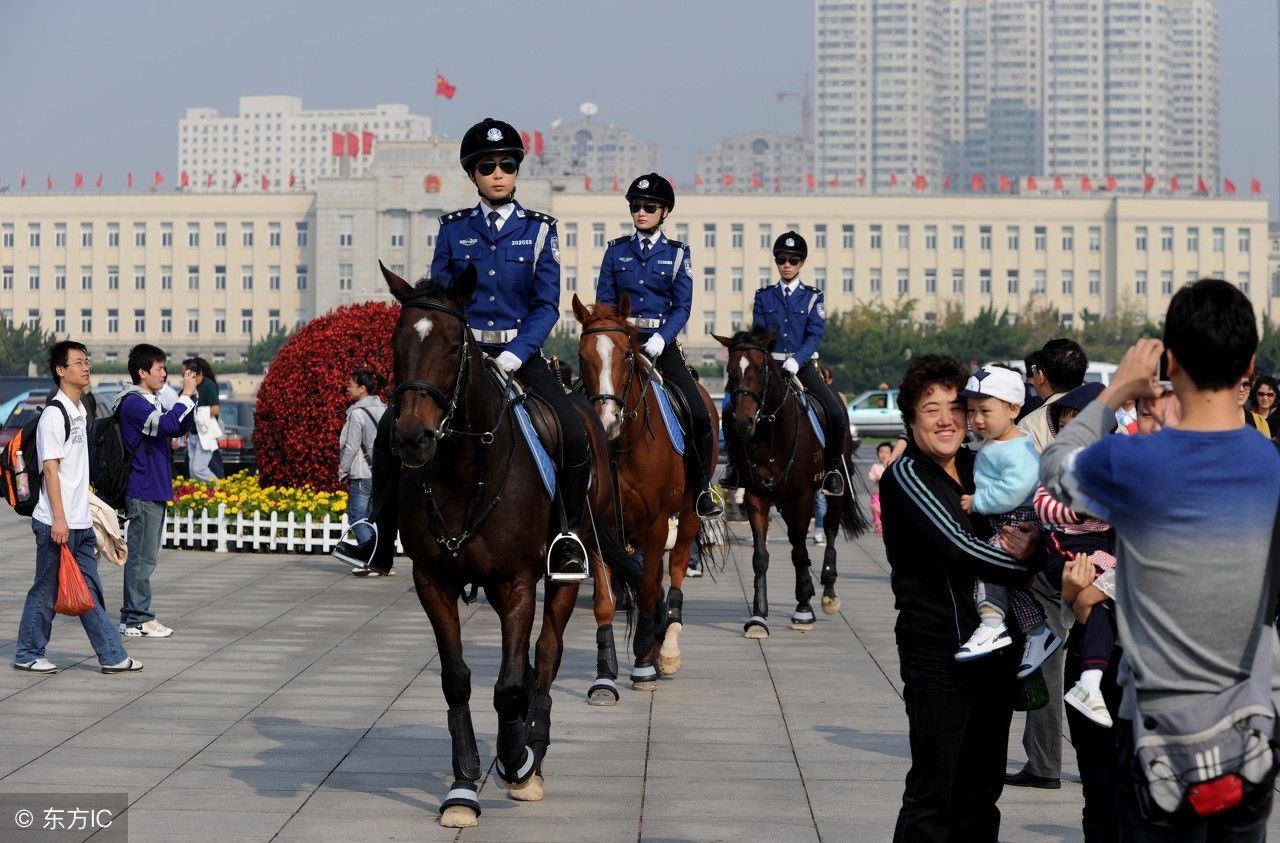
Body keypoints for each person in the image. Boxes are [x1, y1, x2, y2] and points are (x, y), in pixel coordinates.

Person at [1041, 279, 1280, 840]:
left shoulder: (1133, 461)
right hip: (1249, 734)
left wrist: (1114, 392)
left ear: (1170, 361)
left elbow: (1055, 464)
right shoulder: (1272, 467)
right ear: (1248, 365)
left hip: (1157, 735)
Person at [339, 117, 590, 581]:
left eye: (507, 165)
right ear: (472, 175)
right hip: (463, 357)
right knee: (395, 428)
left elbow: (546, 305)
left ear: (516, 172)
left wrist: (517, 351)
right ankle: (377, 538)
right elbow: (438, 296)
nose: (498, 173)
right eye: (488, 166)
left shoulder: (540, 230)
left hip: (521, 354)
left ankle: (567, 538)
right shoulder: (454, 230)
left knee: (573, 433)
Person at [880, 354, 1040, 841]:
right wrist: (1033, 560)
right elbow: (961, 546)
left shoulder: (982, 464)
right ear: (911, 417)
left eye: (956, 406)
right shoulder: (908, 475)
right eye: (932, 408)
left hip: (995, 655)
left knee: (980, 791)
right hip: (939, 654)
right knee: (934, 791)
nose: (947, 419)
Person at [595, 173, 721, 519]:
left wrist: (661, 338)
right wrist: (620, 333)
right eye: (635, 206)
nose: (641, 212)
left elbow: (682, 306)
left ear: (664, 212)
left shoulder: (678, 254)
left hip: (660, 346)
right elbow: (604, 302)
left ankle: (701, 490)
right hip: (621, 344)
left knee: (698, 414)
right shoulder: (615, 252)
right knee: (582, 405)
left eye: (649, 207)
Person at [13, 341, 142, 675]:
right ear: (61, 370)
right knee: (46, 589)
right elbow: (51, 469)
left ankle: (112, 655)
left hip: (80, 522)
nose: (86, 368)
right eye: (79, 362)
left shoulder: (80, 410)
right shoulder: (54, 416)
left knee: (88, 591)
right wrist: (59, 518)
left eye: (88, 362)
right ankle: (28, 652)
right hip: (57, 523)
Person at [1006, 336, 1088, 790]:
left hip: (1049, 558)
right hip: (1100, 558)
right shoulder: (1105, 415)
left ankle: (1044, 763)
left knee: (1045, 659)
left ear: (1039, 375)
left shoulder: (1034, 423)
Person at [954, 365, 1061, 675]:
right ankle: (1038, 632)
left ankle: (991, 623)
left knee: (986, 563)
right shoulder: (998, 442)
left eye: (985, 411)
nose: (977, 420)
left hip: (1016, 518)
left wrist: (979, 501)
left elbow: (1015, 488)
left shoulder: (1020, 448)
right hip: (1009, 518)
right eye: (971, 411)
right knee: (1011, 587)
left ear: (1014, 408)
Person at [722, 232, 847, 497]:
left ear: (801, 263)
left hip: (802, 366)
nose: (787, 264)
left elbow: (814, 335)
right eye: (781, 259)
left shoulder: (813, 297)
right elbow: (758, 334)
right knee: (729, 408)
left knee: (835, 412)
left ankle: (833, 469)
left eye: (793, 260)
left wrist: (796, 360)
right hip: (768, 367)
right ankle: (734, 467)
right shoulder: (764, 296)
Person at [117, 344, 199, 637]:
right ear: (142, 372)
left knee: (145, 555)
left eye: (165, 368)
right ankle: (139, 616)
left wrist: (191, 398)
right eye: (159, 368)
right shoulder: (134, 403)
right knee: (141, 556)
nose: (164, 373)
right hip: (142, 488)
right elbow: (166, 425)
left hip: (153, 486)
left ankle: (132, 617)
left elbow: (177, 427)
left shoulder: (149, 400)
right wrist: (186, 395)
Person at [332, 368, 386, 568]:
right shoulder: (384, 409)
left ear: (362, 389)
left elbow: (351, 446)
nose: (347, 388)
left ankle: (372, 558)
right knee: (371, 518)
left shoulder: (357, 414)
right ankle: (381, 558)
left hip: (362, 472)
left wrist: (342, 470)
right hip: (379, 473)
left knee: (356, 517)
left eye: (350, 385)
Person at [182, 357, 222, 482]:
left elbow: (215, 409)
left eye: (194, 377)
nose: (192, 381)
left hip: (205, 433)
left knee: (198, 469)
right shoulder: (192, 387)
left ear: (199, 374)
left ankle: (219, 487)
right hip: (193, 433)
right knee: (192, 472)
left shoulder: (208, 385)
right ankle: (200, 494)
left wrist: (198, 412)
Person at [867, 442, 893, 534]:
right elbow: (871, 476)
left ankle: (885, 524)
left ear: (891, 454)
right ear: (878, 454)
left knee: (887, 510)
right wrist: (876, 478)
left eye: (887, 452)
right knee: (875, 508)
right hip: (877, 493)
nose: (884, 455)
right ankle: (878, 524)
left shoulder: (892, 466)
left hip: (889, 494)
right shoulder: (875, 466)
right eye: (881, 452)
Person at [1238, 373, 1272, 438]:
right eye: (1236, 384)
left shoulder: (1260, 423)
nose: (1241, 389)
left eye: (1246, 384)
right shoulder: (1213, 420)